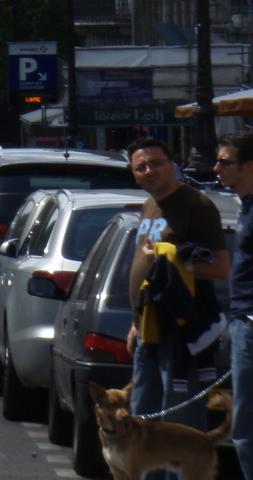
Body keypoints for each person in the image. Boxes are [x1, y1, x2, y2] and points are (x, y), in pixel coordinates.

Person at [126, 136, 229, 473]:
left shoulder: (196, 205)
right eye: (141, 167)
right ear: (134, 174)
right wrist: (135, 321)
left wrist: (170, 261)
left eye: (156, 162)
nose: (149, 170)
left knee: (179, 425)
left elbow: (221, 267)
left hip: (182, 331)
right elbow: (148, 275)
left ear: (173, 164)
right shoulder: (149, 205)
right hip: (149, 330)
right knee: (144, 425)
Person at [215, 130, 253, 480]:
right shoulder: (246, 208)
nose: (217, 168)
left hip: (250, 326)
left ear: (249, 167)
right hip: (242, 323)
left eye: (225, 162)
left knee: (246, 430)